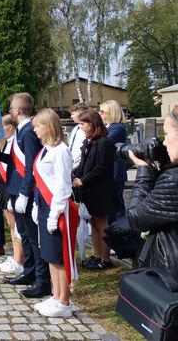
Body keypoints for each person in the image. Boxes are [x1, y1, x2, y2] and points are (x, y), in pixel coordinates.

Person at [31, 109, 79, 318]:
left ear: (48, 127)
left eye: (37, 126)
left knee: (59, 256)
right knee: (49, 254)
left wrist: (54, 212)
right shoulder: (45, 149)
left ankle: (64, 301)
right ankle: (56, 294)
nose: (35, 130)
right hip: (44, 205)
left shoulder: (60, 150)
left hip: (57, 208)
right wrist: (36, 204)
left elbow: (62, 185)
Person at [5, 93, 49, 298]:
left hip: (26, 192)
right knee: (24, 235)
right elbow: (15, 160)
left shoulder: (29, 132)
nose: (10, 111)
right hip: (16, 189)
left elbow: (31, 165)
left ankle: (42, 280)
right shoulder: (21, 131)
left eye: (12, 108)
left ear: (19, 110)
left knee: (33, 237)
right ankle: (29, 272)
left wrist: (24, 193)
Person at [127, 106, 178, 268]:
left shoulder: (173, 179)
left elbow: (136, 219)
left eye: (167, 134)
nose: (163, 142)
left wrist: (144, 171)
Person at [72, 109, 116, 270]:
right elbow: (84, 164)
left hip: (101, 191)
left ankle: (105, 258)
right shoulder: (90, 142)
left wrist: (82, 180)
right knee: (93, 223)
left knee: (102, 225)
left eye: (83, 123)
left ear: (93, 124)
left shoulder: (104, 143)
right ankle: (97, 255)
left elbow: (102, 168)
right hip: (89, 191)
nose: (81, 127)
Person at [0, 115, 24, 273]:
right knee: (11, 225)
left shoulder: (16, 142)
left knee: (16, 226)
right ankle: (15, 255)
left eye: (3, 127)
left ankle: (20, 259)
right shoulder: (6, 142)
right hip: (4, 184)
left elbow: (13, 162)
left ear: (11, 127)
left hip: (12, 184)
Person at [99, 100, 128, 221]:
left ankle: (120, 233)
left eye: (102, 111)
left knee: (116, 205)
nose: (100, 114)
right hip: (110, 172)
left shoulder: (118, 128)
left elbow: (103, 142)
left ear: (111, 113)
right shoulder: (110, 127)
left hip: (115, 172)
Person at [67, 102, 89, 171]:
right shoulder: (76, 128)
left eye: (73, 114)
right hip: (70, 164)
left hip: (79, 167)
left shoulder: (86, 130)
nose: (71, 116)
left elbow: (81, 152)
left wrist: (73, 167)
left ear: (81, 114)